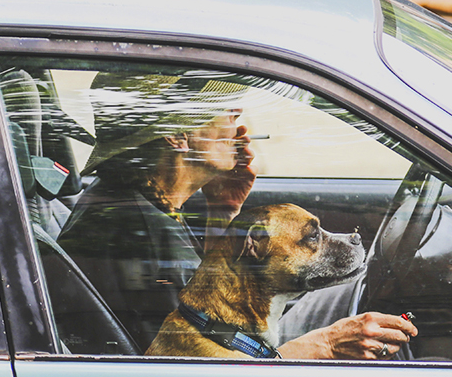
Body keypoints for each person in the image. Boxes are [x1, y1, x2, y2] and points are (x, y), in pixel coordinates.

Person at [58, 69, 416, 360]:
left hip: (243, 345)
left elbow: (212, 307)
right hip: (240, 369)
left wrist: (223, 210)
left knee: (354, 293)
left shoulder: (138, 205)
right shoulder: (136, 234)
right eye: (224, 106)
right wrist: (324, 345)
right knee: (365, 301)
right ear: (178, 135)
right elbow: (190, 360)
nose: (237, 116)